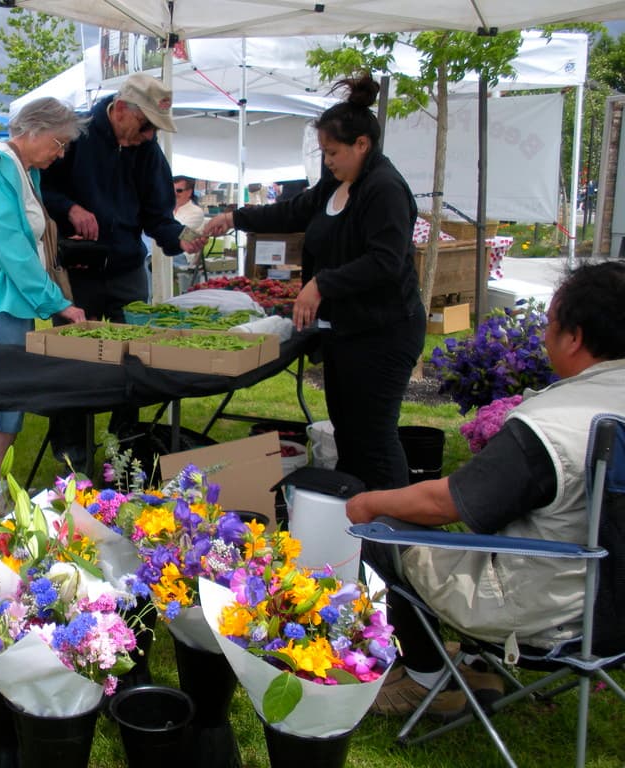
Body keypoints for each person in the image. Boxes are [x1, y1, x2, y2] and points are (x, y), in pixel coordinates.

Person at [346, 260, 625, 718]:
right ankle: (474, 661)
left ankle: (427, 681)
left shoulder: (554, 422)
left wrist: (368, 502)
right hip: (613, 605)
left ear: (573, 337)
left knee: (384, 529)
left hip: (554, 613)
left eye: (551, 326)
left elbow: (443, 504)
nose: (545, 336)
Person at [205, 73, 425, 491]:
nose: (328, 160)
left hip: (384, 331)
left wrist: (322, 284)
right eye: (324, 152)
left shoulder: (385, 189)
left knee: (374, 437)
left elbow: (385, 261)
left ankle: (393, 528)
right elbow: (293, 211)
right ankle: (357, 516)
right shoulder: (336, 182)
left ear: (363, 145)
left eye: (333, 151)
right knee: (349, 433)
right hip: (346, 330)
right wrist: (236, 217)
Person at [41, 73, 204, 466]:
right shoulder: (74, 135)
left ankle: (124, 448)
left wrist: (177, 237)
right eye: (146, 125)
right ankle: (71, 455)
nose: (149, 136)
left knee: (134, 358)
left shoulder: (147, 152)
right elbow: (41, 185)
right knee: (72, 359)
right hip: (77, 268)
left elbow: (156, 213)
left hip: (128, 268)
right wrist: (71, 209)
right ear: (121, 109)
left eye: (153, 129)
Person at [0, 97, 87, 514]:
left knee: (8, 383)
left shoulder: (18, 169)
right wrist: (57, 302)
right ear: (33, 132)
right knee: (7, 384)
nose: (60, 152)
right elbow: (10, 246)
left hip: (4, 289)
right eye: (58, 142)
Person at [172, 175, 206, 286]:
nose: (174, 193)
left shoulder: (196, 212)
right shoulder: (166, 209)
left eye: (179, 190)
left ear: (189, 192)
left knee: (149, 258)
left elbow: (181, 236)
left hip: (183, 255)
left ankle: (149, 298)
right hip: (166, 250)